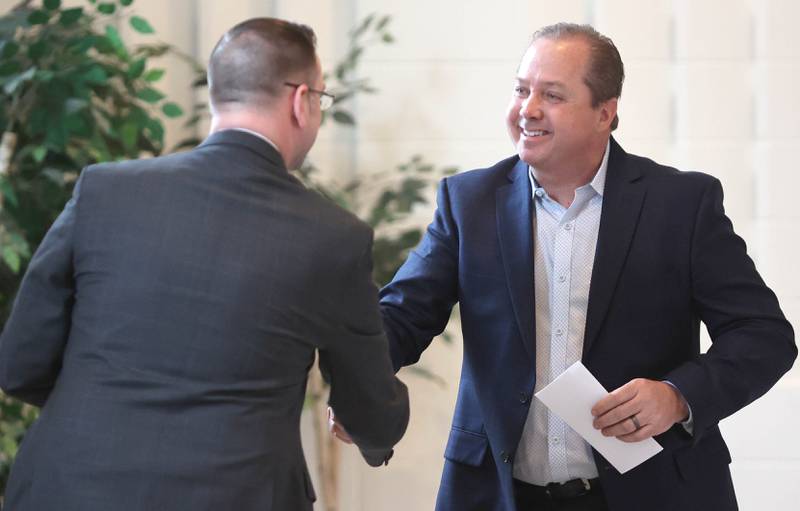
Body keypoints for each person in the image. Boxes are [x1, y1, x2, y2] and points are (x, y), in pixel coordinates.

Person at [353, 22, 795, 511]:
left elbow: (763, 335)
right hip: (500, 495)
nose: (528, 109)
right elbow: (402, 315)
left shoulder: (682, 205)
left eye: (553, 95)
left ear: (605, 113)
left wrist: (677, 395)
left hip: (652, 494)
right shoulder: (468, 203)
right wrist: (358, 381)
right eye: (522, 90)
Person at [0, 17, 408, 511]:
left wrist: (103, 417)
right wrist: (373, 430)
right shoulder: (332, 237)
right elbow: (370, 408)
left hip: (66, 488)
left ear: (219, 92)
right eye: (321, 99)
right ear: (301, 102)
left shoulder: (104, 190)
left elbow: (20, 362)